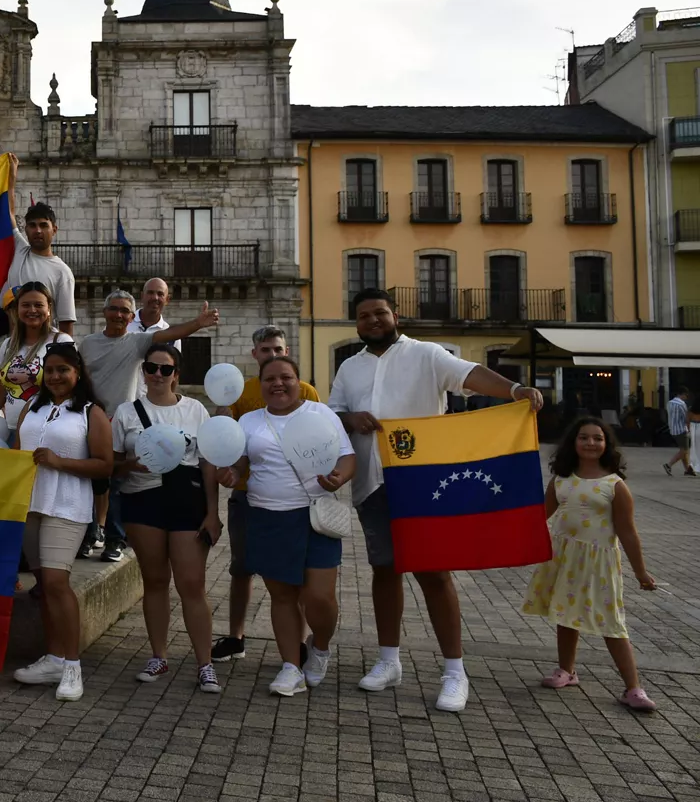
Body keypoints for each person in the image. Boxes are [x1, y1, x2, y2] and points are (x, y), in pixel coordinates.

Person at [330, 287, 544, 712]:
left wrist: (515, 390)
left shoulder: (426, 354)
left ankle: (454, 671)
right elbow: (333, 416)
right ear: (356, 323)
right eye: (364, 315)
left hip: (423, 483)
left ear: (395, 316)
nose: (373, 320)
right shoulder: (349, 368)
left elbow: (471, 374)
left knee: (434, 574)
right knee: (384, 571)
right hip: (372, 482)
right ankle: (388, 661)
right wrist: (350, 418)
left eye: (380, 313)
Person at [217, 354, 355, 696]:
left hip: (314, 517)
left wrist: (339, 477)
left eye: (285, 377)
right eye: (270, 379)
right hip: (267, 516)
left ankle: (319, 647)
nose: (278, 384)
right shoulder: (249, 421)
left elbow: (347, 455)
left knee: (319, 597)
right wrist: (231, 473)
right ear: (260, 384)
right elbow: (240, 463)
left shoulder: (320, 413)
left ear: (298, 382)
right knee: (282, 596)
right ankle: (291, 667)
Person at [522, 418, 659, 711]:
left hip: (599, 564)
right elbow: (538, 517)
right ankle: (566, 670)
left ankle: (634, 688)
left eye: (598, 438)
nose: (591, 443)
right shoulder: (560, 480)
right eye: (584, 437)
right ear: (573, 442)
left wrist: (641, 572)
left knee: (612, 622)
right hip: (564, 558)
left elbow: (628, 532)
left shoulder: (614, 485)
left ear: (607, 444)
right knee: (564, 612)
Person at [78, 289, 221, 563]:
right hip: (92, 419)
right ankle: (90, 532)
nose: (119, 314)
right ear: (104, 312)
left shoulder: (136, 342)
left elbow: (168, 336)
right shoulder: (87, 344)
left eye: (125, 311)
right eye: (114, 308)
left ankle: (114, 539)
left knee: (117, 483)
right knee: (92, 480)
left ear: (131, 317)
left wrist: (197, 324)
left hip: (121, 419)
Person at [110, 343, 221, 689]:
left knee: (192, 584)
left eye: (166, 369)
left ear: (176, 374)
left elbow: (208, 463)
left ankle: (205, 663)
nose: (158, 374)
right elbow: (112, 465)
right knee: (155, 580)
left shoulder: (195, 410)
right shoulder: (126, 413)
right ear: (143, 372)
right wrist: (131, 465)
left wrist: (213, 512)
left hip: (187, 500)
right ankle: (159, 656)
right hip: (142, 500)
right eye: (151, 368)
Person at [11, 342, 114, 702]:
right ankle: (54, 658)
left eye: (63, 370)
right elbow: (17, 454)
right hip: (30, 505)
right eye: (50, 370)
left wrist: (59, 462)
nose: (55, 376)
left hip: (66, 507)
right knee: (43, 584)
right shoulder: (31, 407)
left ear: (78, 373)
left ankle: (72, 666)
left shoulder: (90, 412)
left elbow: (105, 465)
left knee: (57, 582)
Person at [212, 325, 320, 664]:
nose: (272, 355)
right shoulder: (240, 393)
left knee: (293, 574)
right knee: (241, 569)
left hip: (295, 498)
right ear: (254, 354)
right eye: (265, 350)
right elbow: (229, 441)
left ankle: (299, 643)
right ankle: (236, 637)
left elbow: (320, 441)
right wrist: (222, 416)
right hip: (247, 496)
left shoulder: (307, 392)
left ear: (286, 352)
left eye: (277, 349)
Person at [0, 282, 74, 436]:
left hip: (47, 431)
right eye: (26, 305)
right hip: (11, 430)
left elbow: (72, 389)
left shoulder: (61, 341)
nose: (32, 310)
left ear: (49, 308)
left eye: (38, 305)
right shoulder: (8, 345)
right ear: (17, 309)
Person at [4, 154, 77, 335]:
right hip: (11, 343)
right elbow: (9, 212)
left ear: (54, 230)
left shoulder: (63, 272)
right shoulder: (20, 250)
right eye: (32, 225)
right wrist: (12, 175)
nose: (38, 230)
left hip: (43, 345)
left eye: (44, 225)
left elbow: (66, 324)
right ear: (26, 229)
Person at [133, 279, 176, 400]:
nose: (155, 297)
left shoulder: (170, 335)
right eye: (150, 292)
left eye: (160, 294)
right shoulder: (124, 325)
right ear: (142, 296)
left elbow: (173, 375)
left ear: (167, 299)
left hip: (152, 404)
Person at [663, 387, 695, 476]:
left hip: (673, 429)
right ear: (683, 394)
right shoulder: (682, 404)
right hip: (681, 430)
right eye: (686, 395)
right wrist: (689, 428)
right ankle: (668, 465)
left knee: (683, 450)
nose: (686, 397)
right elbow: (686, 418)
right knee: (684, 450)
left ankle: (687, 469)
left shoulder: (669, 403)